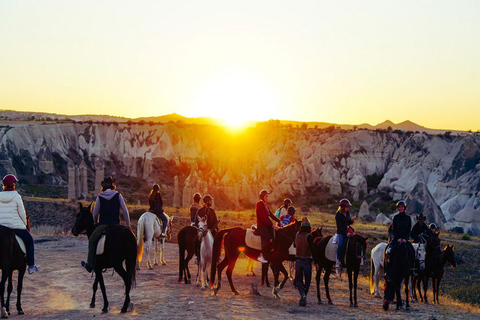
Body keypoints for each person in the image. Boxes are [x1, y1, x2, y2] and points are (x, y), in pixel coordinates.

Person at [81, 176, 131, 273]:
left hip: (104, 224)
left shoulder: (100, 196)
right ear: (112, 185)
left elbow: (95, 213)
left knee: (92, 240)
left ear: (103, 185)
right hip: (116, 225)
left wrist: (95, 222)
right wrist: (128, 224)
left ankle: (90, 265)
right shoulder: (118, 195)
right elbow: (125, 211)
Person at [0, 174, 40, 274]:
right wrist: (24, 224)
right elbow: (22, 213)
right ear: (13, 185)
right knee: (29, 241)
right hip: (15, 226)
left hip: (1, 226)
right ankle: (31, 266)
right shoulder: (17, 196)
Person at [385, 200, 416, 278]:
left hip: (405, 240)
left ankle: (412, 269)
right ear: (398, 208)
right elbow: (394, 229)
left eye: (402, 207)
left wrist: (405, 238)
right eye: (399, 207)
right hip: (397, 239)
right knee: (388, 251)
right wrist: (398, 238)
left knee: (412, 251)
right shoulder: (395, 218)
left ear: (404, 208)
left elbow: (409, 230)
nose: (400, 208)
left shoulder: (408, 218)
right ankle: (388, 270)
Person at [294, 217, 319, 307]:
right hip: (307, 261)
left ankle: (302, 296)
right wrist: (316, 262)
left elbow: (294, 244)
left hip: (298, 261)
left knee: (298, 280)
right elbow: (313, 250)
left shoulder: (297, 234)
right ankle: (304, 295)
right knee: (307, 281)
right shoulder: (309, 236)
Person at [256, 189, 282, 263]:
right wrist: (272, 225)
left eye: (268, 196)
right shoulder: (259, 204)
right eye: (266, 196)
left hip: (266, 226)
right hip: (261, 226)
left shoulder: (266, 205)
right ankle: (261, 255)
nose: (267, 198)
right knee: (269, 239)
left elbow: (271, 215)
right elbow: (263, 219)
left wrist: (279, 221)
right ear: (262, 197)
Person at [194, 194, 218, 264]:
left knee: (217, 241)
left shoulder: (212, 211)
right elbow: (196, 222)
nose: (211, 202)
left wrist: (212, 229)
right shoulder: (200, 211)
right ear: (207, 202)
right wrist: (201, 229)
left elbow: (216, 221)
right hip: (202, 230)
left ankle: (217, 257)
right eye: (210, 201)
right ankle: (198, 257)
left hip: (211, 230)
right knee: (196, 240)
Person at [335, 198, 355, 273]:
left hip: (348, 230)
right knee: (340, 245)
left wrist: (351, 221)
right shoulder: (338, 215)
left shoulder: (347, 213)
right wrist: (346, 233)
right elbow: (339, 226)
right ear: (343, 207)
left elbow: (347, 223)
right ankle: (337, 260)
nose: (348, 208)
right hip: (341, 232)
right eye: (347, 207)